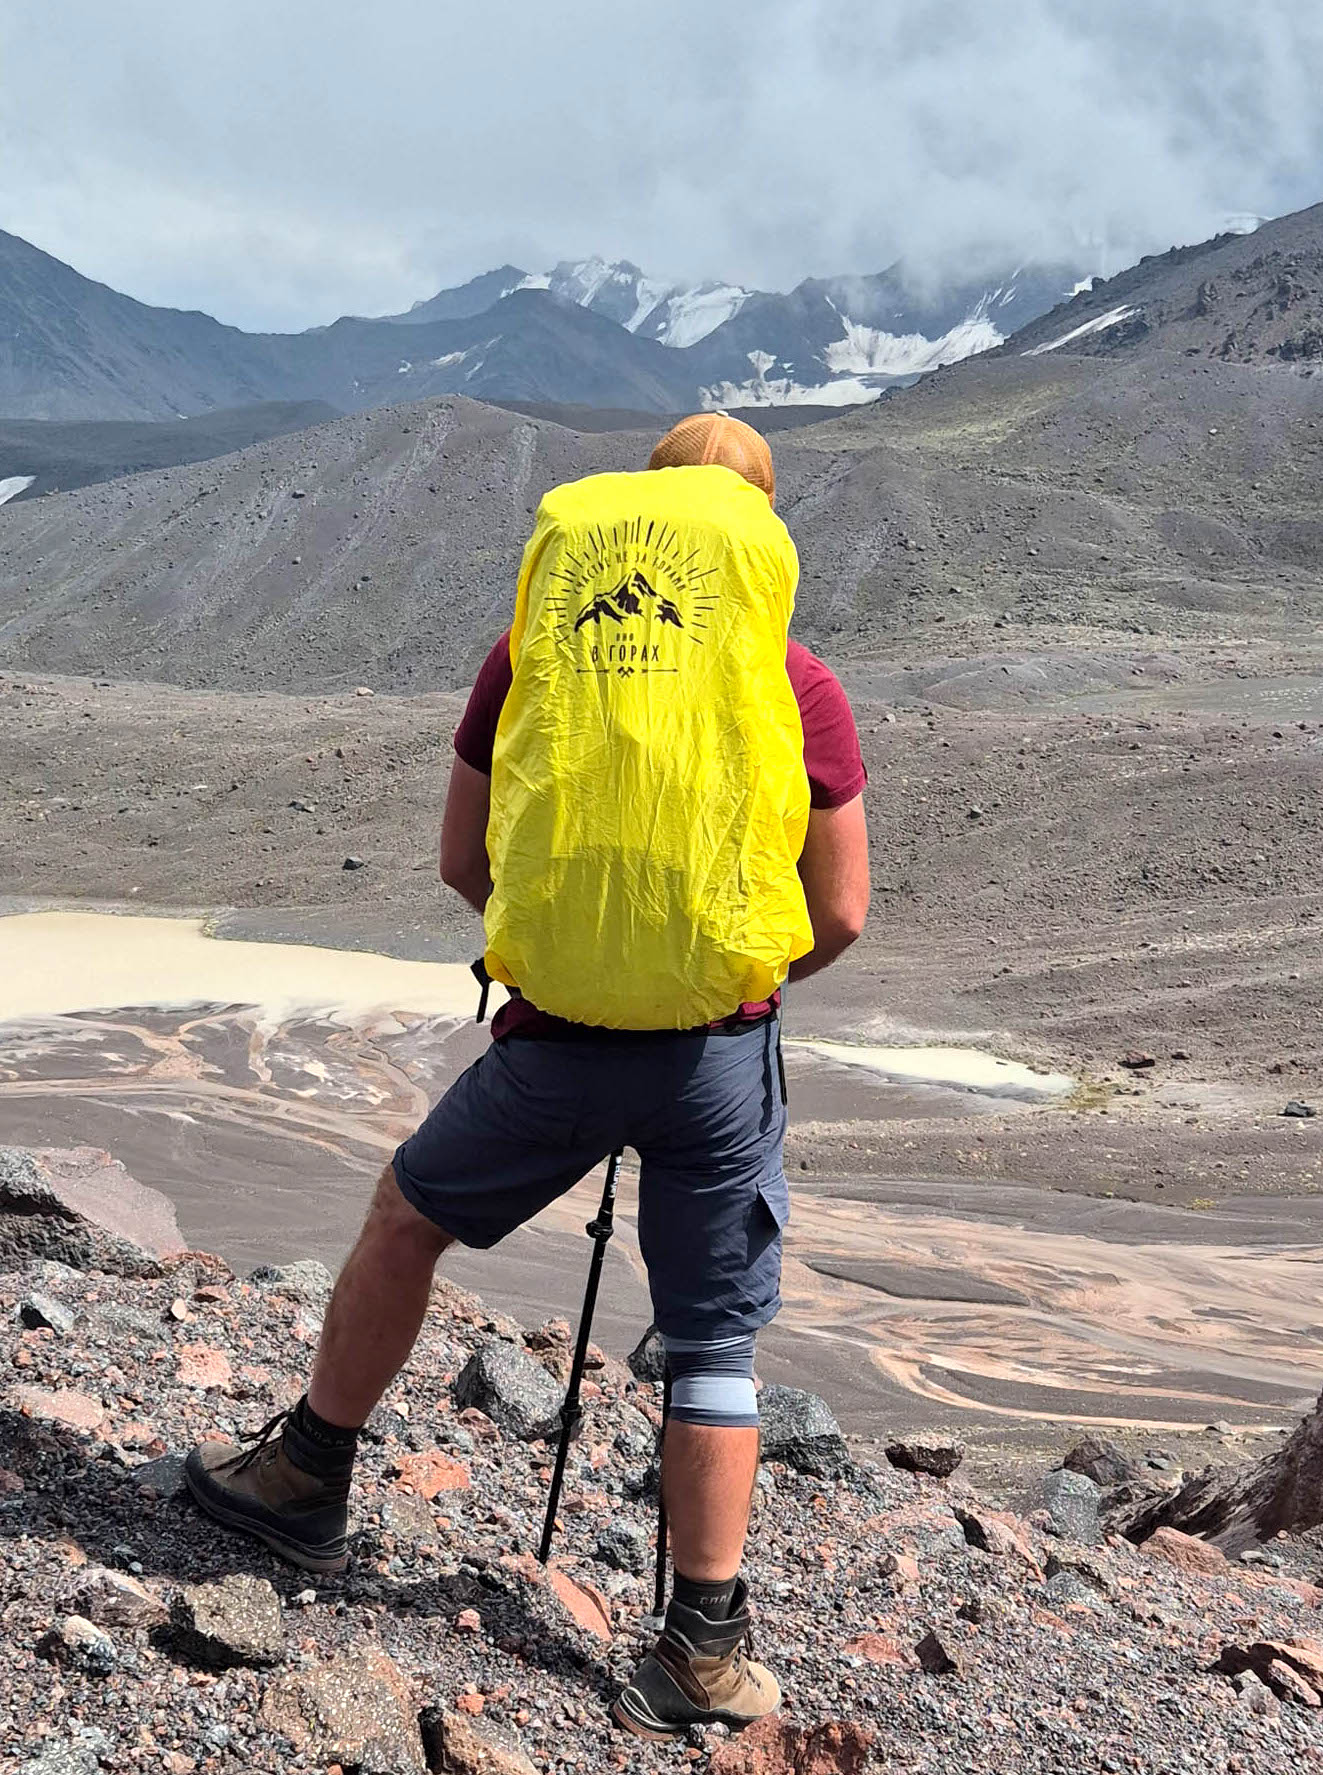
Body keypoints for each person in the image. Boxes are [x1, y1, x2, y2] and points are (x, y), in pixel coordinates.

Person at [180, 412, 870, 1738]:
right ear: (763, 531)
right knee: (715, 1347)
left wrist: (572, 957)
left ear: (638, 505)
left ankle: (308, 1479)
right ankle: (704, 1654)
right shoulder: (798, 682)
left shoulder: (533, 650)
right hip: (717, 1058)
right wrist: (727, 981)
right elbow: (838, 911)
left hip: (552, 1045)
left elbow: (461, 861)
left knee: (406, 1219)